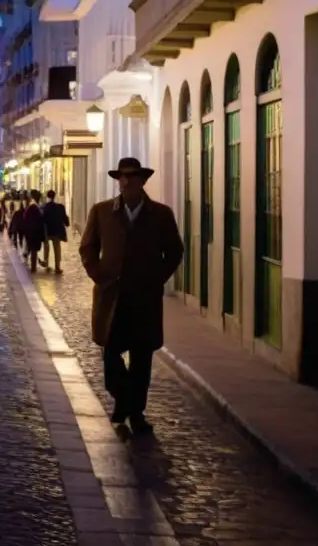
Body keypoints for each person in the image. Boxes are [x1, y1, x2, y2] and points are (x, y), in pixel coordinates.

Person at [79, 157, 184, 435]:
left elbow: (174, 251)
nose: (125, 181)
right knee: (111, 354)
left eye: (131, 176)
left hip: (144, 298)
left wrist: (156, 278)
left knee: (141, 358)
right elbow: (88, 247)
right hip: (111, 296)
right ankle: (123, 399)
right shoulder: (102, 212)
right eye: (121, 177)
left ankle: (135, 412)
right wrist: (98, 276)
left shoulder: (160, 214)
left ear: (142, 180)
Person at [40, 189, 70, 272]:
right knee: (57, 249)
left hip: (47, 230)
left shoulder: (44, 207)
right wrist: (67, 223)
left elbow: (41, 219)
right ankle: (57, 267)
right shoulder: (60, 207)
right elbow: (65, 219)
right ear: (54, 196)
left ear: (47, 197)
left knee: (46, 247)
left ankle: (46, 264)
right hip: (57, 230)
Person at [22, 191, 46, 272]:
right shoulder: (35, 207)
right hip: (35, 231)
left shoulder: (31, 207)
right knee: (34, 249)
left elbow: (25, 218)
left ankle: (33, 265)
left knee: (32, 248)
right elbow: (40, 220)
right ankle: (33, 266)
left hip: (30, 231)